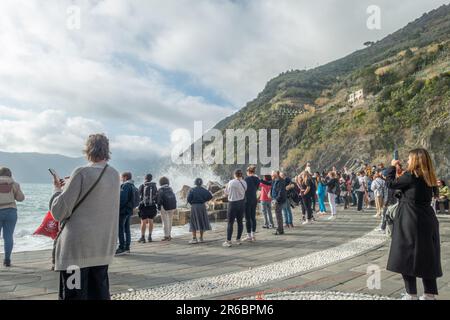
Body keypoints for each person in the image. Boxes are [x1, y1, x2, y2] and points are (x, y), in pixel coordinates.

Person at [51, 133, 120, 300]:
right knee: (99, 294)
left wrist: (57, 190)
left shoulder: (81, 172)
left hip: (76, 251)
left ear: (88, 149)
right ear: (107, 150)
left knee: (74, 295)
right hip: (102, 248)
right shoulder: (114, 174)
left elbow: (59, 211)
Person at [386, 149, 442, 300]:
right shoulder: (429, 176)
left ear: (415, 160)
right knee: (427, 256)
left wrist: (392, 167)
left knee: (406, 255)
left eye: (410, 159)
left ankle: (411, 294)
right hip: (427, 219)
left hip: (409, 219)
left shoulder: (410, 176)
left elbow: (390, 184)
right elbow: (413, 192)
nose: (408, 161)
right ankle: (429, 294)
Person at [0, 167, 25, 267]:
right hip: (11, 212)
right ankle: (7, 260)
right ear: (10, 174)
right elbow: (21, 198)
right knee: (8, 237)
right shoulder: (14, 184)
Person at [223, 170, 247, 247]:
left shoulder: (231, 182)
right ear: (241, 175)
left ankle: (228, 241)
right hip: (241, 203)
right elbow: (245, 190)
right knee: (240, 222)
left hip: (233, 203)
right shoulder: (244, 182)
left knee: (230, 222)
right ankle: (238, 239)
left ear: (234, 175)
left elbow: (226, 193)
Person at [116, 172, 137, 256]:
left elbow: (122, 199)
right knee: (127, 229)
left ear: (125, 177)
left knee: (120, 229)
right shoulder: (133, 185)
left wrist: (117, 208)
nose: (121, 179)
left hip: (123, 211)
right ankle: (127, 247)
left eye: (121, 177)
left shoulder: (126, 185)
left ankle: (121, 247)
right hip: (129, 210)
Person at [187, 178, 213, 244]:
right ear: (201, 183)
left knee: (193, 221)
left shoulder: (192, 190)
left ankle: (194, 238)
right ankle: (201, 238)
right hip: (202, 206)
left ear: (195, 183)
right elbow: (210, 196)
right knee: (201, 221)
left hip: (194, 206)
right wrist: (204, 200)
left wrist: (192, 203)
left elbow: (188, 199)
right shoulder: (204, 190)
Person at [137, 174, 158, 243]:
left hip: (144, 205)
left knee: (143, 221)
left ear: (145, 178)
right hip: (152, 205)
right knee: (151, 220)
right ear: (151, 179)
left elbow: (138, 195)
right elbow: (156, 196)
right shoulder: (154, 186)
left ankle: (142, 237)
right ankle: (150, 236)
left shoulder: (142, 185)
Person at [157, 177, 177, 242]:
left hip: (164, 207)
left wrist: (158, 207)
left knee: (165, 221)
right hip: (171, 206)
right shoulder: (170, 188)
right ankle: (169, 235)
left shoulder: (160, 189)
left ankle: (166, 236)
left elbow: (159, 200)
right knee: (170, 221)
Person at [244, 166, 260, 241]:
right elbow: (256, 188)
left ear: (248, 171)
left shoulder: (246, 179)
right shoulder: (257, 179)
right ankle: (253, 235)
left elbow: (244, 189)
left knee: (247, 218)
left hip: (247, 200)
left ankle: (249, 235)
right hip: (254, 199)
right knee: (253, 217)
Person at [271, 170, 286, 236]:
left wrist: (276, 199)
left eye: (272, 175)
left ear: (275, 175)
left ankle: (280, 230)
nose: (271, 176)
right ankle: (280, 229)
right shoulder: (276, 180)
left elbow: (280, 192)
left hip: (278, 200)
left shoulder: (280, 181)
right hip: (276, 199)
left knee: (278, 215)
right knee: (278, 215)